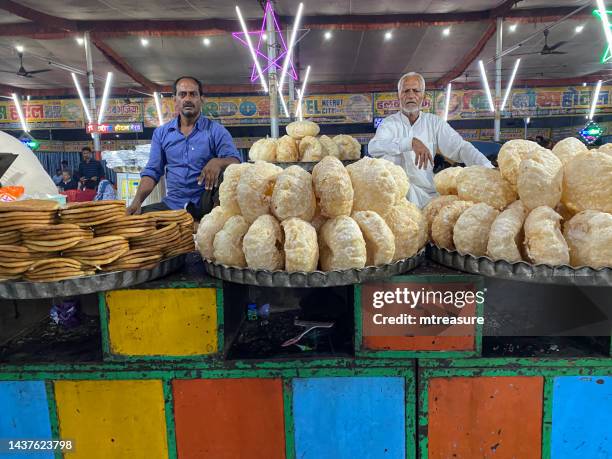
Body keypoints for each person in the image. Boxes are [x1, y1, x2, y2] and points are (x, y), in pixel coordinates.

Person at [368, 72, 493, 207]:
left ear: (423, 96)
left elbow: (461, 148)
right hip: (397, 200)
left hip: (427, 198)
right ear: (398, 95)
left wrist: (488, 168)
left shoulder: (434, 123)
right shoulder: (389, 123)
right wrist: (410, 142)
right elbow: (374, 147)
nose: (410, 95)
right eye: (405, 91)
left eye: (416, 91)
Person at [127, 76, 241, 215]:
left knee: (228, 172)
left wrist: (218, 162)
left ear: (202, 99)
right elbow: (152, 172)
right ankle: (190, 224)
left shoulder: (216, 131)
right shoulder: (161, 133)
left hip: (207, 207)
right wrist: (137, 201)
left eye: (193, 94)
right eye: (182, 94)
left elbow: (236, 162)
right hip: (173, 207)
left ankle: (201, 224)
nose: (187, 99)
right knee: (138, 222)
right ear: (175, 100)